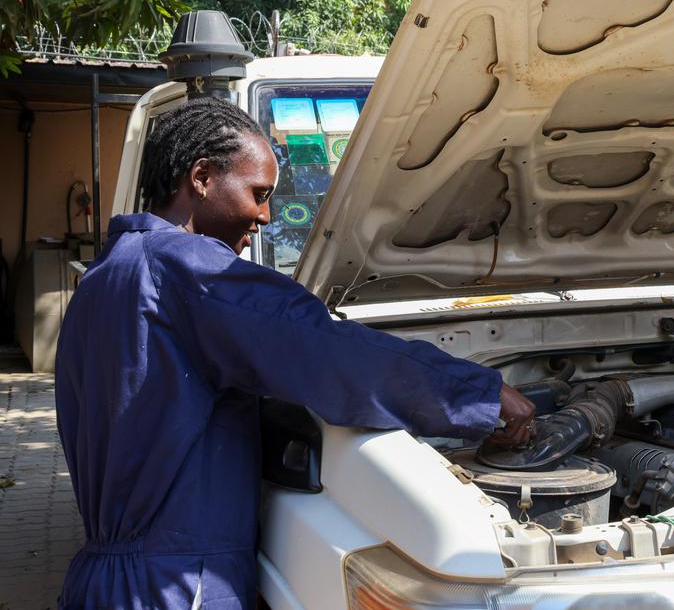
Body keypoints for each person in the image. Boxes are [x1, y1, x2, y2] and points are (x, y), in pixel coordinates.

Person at [54, 97, 536, 609]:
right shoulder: (194, 273)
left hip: (103, 577)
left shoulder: (107, 274)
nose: (264, 214)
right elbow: (324, 350)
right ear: (201, 177)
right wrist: (478, 394)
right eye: (258, 193)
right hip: (177, 585)